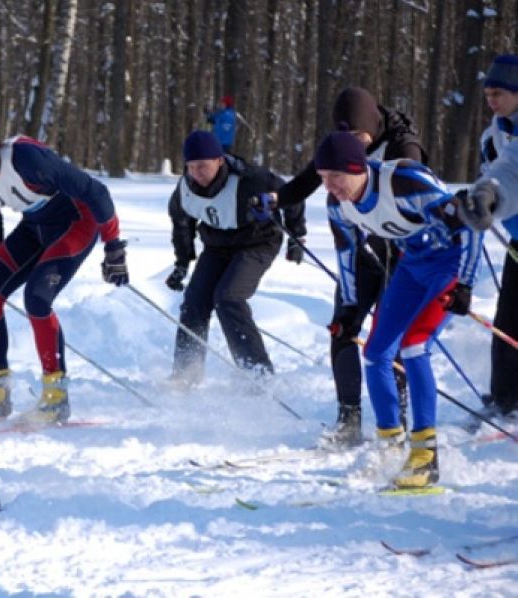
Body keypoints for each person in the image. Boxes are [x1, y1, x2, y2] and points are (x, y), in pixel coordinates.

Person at [315, 131, 482, 488]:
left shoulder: (405, 184)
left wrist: (466, 284)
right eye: (323, 179)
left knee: (414, 345)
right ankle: (390, 445)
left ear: (357, 168)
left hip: (449, 266)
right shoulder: (338, 206)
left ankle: (426, 454)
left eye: (336, 177)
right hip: (412, 265)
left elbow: (471, 220)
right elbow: (347, 258)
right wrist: (347, 309)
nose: (330, 187)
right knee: (376, 353)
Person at [262, 87, 427, 447]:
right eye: (344, 136)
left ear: (372, 125)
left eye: (357, 136)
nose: (352, 143)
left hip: (401, 256)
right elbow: (309, 181)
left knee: (389, 337)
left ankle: (395, 419)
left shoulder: (403, 148)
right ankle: (348, 419)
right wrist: (276, 199)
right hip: (363, 251)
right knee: (343, 326)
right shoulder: (339, 176)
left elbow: (420, 201)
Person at [0, 112, 129, 425]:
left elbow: (96, 192)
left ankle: (56, 398)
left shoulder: (26, 159)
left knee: (37, 299)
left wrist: (114, 248)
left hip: (75, 222)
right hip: (35, 225)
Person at [165, 130, 306, 385]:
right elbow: (182, 223)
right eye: (191, 167)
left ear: (220, 160)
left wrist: (297, 236)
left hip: (258, 242)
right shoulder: (185, 188)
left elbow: (291, 195)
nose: (197, 173)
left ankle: (258, 375)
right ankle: (186, 373)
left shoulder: (251, 179)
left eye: (203, 167)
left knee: (228, 297)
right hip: (217, 244)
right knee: (194, 301)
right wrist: (182, 263)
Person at [473, 54, 518, 418]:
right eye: (488, 93)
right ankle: (504, 400)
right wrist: (482, 196)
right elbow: (496, 173)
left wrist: (493, 190)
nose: (492, 99)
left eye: (499, 92)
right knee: (507, 322)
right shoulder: (493, 134)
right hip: (517, 239)